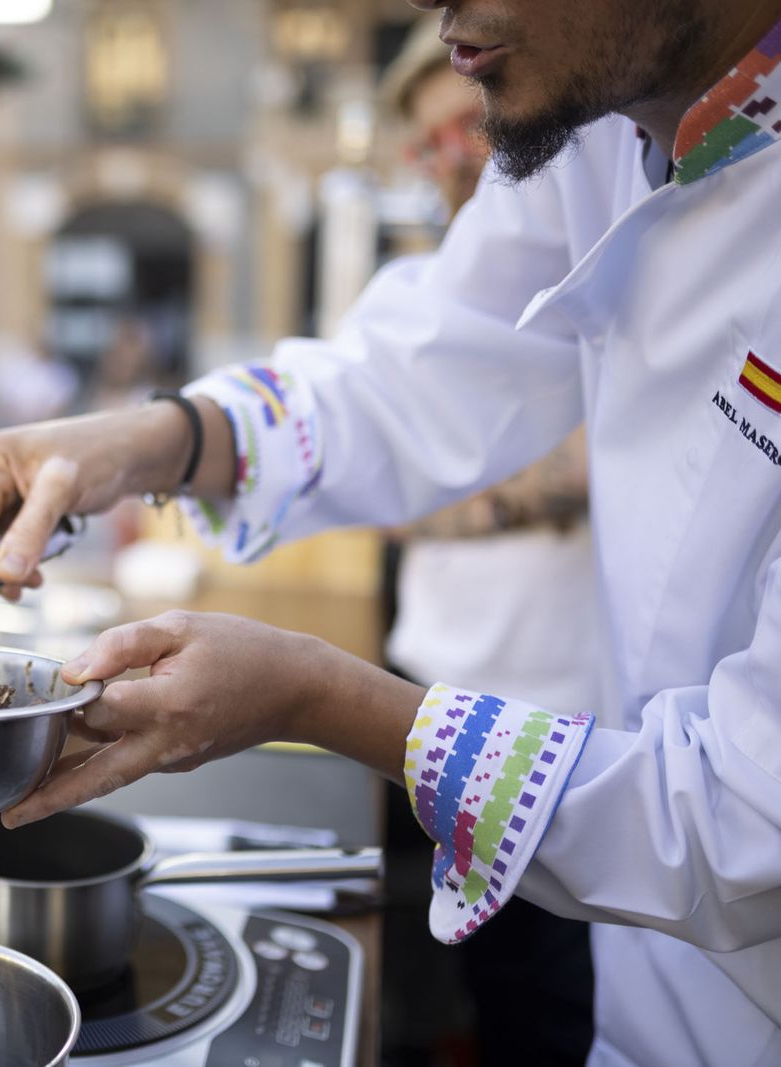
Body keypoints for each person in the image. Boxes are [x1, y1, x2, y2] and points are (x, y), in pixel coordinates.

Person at [0, 1, 781, 1062]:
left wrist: (314, 692)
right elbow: (426, 363)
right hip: (652, 984)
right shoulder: (602, 128)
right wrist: (153, 436)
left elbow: (741, 817)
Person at [376, 18, 598, 1065]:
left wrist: (462, 486)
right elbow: (381, 476)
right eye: (428, 144)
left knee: (541, 993)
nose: (452, 158)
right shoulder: (426, 293)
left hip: (560, 707)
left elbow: (599, 468)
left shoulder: (590, 265)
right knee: (428, 975)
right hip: (423, 685)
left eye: (464, 125)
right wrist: (509, 487)